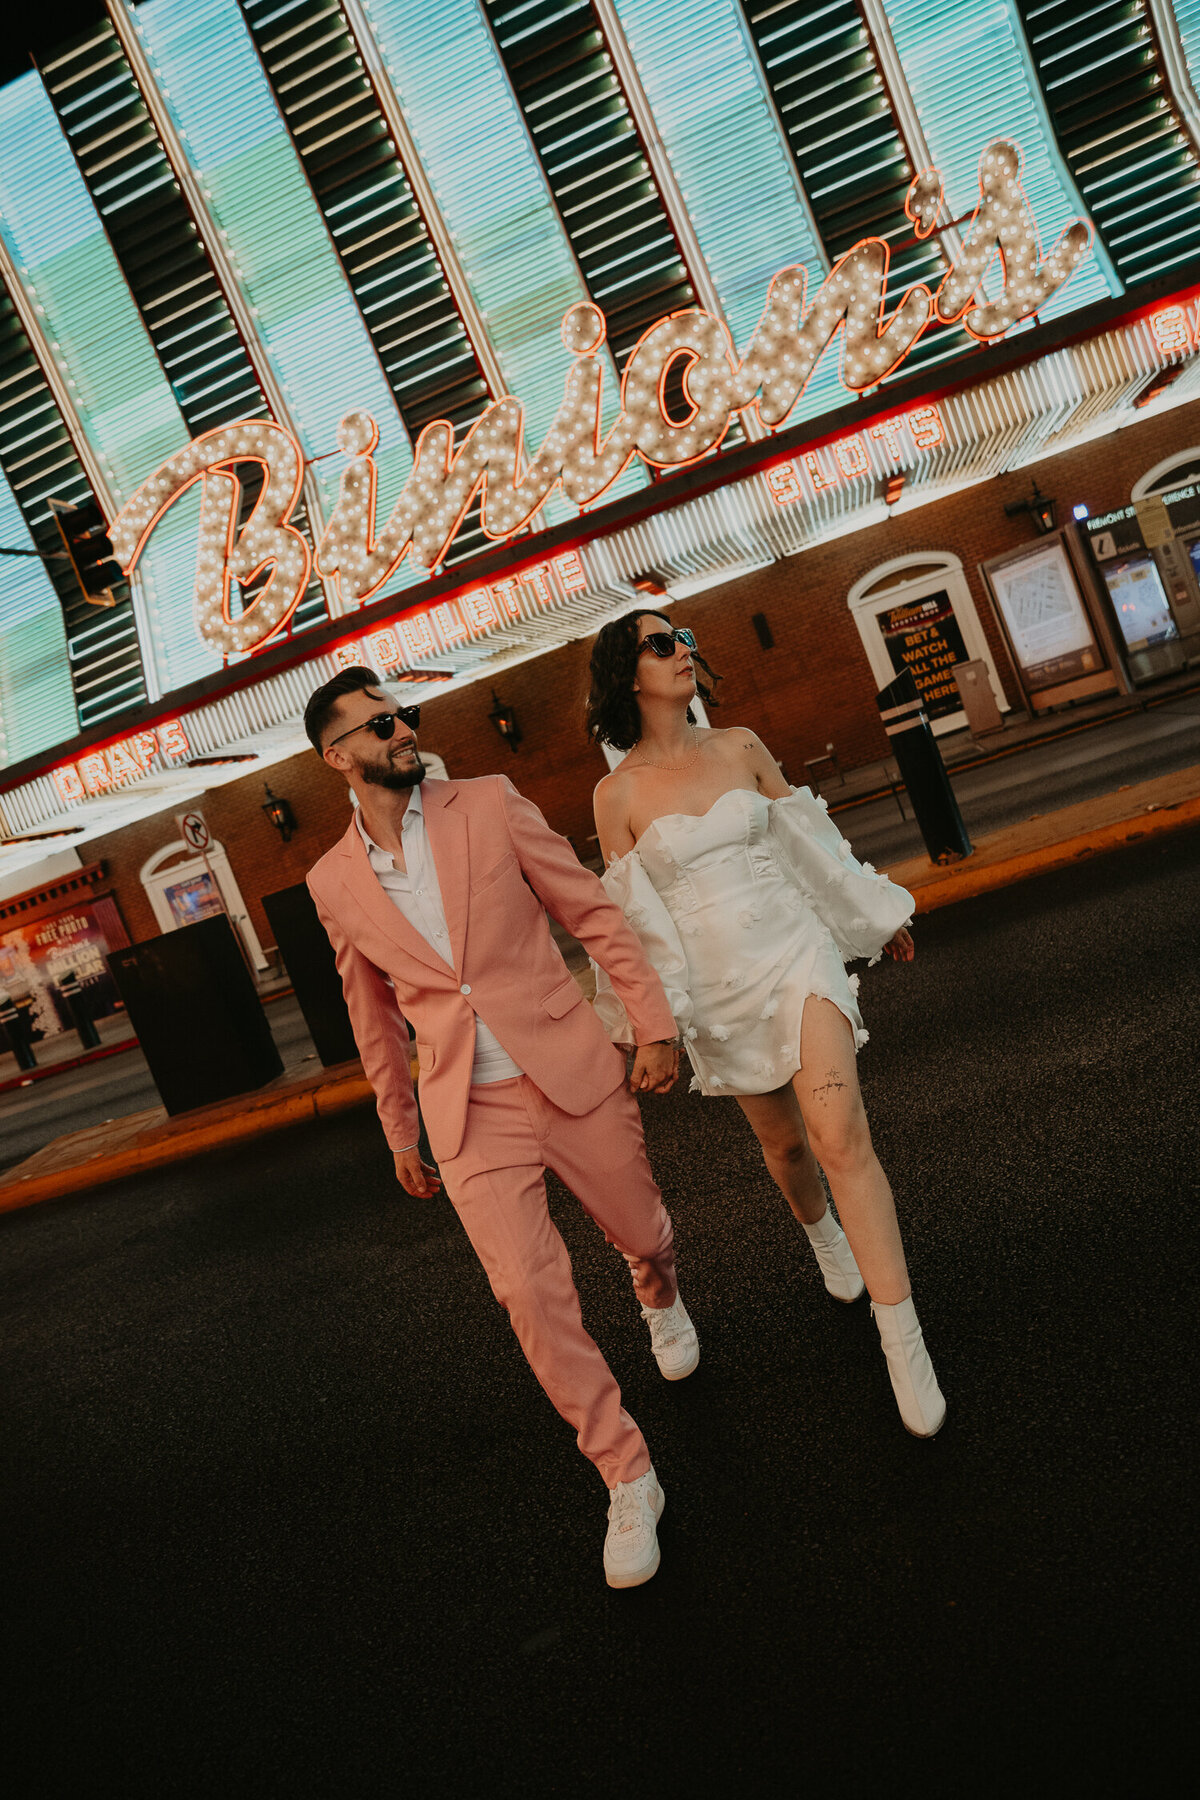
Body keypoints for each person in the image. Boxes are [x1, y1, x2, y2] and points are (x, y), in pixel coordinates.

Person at [304, 666, 699, 1587]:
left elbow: (590, 912)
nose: (401, 731)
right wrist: (399, 1129)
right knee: (528, 1291)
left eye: (402, 716)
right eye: (377, 726)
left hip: (566, 1066)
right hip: (465, 1110)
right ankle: (626, 1473)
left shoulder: (489, 802)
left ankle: (658, 1290)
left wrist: (653, 1021)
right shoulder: (331, 881)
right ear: (337, 756)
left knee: (641, 1227)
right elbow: (372, 1018)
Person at [586, 614, 945, 1438]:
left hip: (796, 955)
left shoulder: (742, 745)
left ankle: (903, 1340)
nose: (683, 648)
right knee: (786, 1147)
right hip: (715, 993)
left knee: (840, 1135)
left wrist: (871, 914)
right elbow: (632, 927)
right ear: (625, 675)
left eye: (683, 634)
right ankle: (822, 1235)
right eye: (659, 642)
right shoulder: (618, 796)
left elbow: (809, 845)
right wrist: (652, 1026)